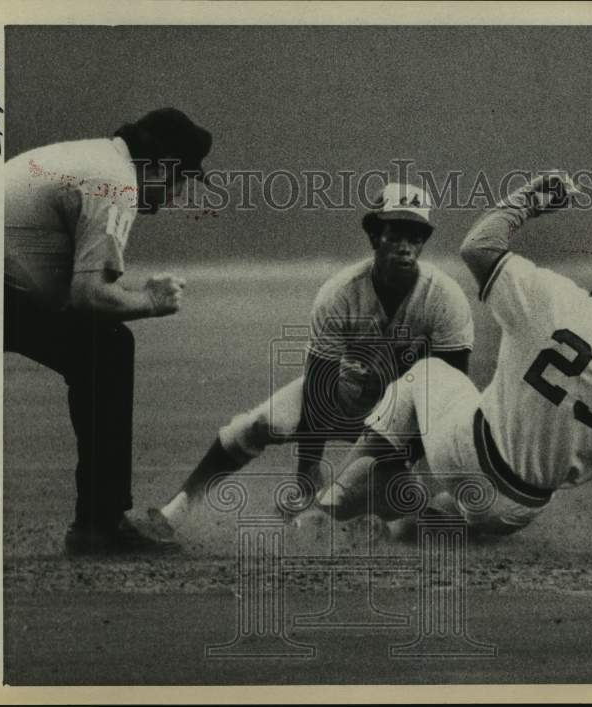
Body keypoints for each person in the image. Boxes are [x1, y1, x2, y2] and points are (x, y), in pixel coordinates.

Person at [317, 173, 592, 538]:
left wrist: (530, 198)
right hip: (511, 509)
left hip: (464, 451)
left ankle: (331, 504)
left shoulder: (554, 298)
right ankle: (401, 523)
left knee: (424, 375)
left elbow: (478, 246)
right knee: (456, 510)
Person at [133, 182, 475, 538]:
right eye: (396, 233)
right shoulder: (340, 293)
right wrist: (307, 470)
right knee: (254, 426)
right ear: (375, 235)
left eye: (416, 236)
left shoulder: (445, 299)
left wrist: (399, 458)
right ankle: (174, 513)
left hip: (405, 421)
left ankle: (371, 514)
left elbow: (451, 397)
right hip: (343, 398)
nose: (407, 245)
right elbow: (318, 386)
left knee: (418, 503)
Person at [5, 107, 212, 555]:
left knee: (100, 344)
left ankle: (99, 520)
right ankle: (100, 525)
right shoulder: (116, 183)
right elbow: (89, 298)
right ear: (160, 165)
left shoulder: (96, 160)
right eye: (181, 181)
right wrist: (151, 302)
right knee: (108, 347)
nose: (178, 195)